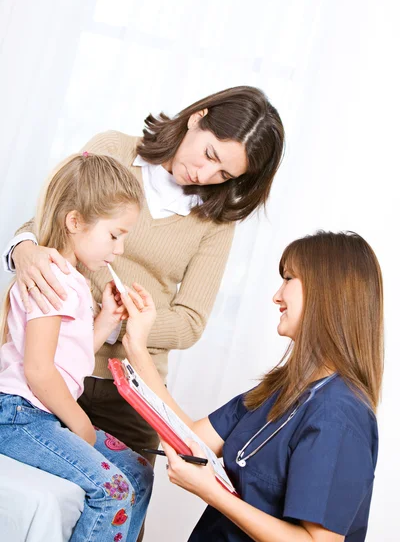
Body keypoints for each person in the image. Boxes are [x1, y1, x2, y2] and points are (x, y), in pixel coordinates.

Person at [3, 85, 285, 465]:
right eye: (209, 154)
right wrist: (22, 250)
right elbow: (51, 222)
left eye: (223, 173)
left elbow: (190, 322)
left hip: (130, 391)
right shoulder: (114, 150)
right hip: (46, 370)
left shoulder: (215, 222)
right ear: (196, 118)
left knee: (123, 503)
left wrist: (120, 324)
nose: (204, 174)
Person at [119, 231, 383, 542]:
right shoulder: (284, 388)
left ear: (327, 292)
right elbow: (188, 438)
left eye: (288, 279)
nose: (277, 295)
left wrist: (212, 493)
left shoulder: (338, 416)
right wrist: (137, 343)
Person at [0, 153, 154, 541]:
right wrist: (80, 422)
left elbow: (65, 355)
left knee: (138, 471)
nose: (119, 249)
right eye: (114, 235)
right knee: (114, 492)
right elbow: (38, 370)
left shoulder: (72, 280)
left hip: (40, 413)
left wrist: (104, 321)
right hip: (19, 415)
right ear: (75, 222)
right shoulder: (51, 278)